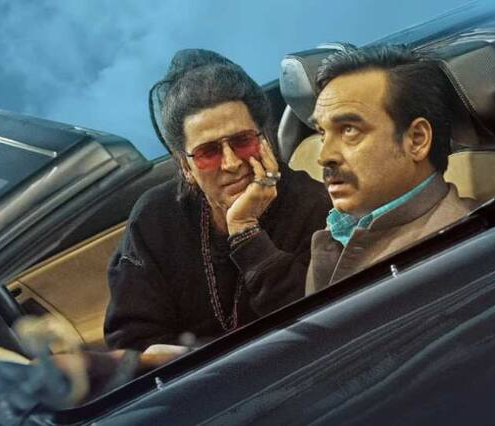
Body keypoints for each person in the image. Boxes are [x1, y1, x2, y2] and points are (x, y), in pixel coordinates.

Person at [104, 49, 331, 350]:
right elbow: (131, 340)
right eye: (208, 152)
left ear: (264, 139)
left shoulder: (313, 205)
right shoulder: (154, 219)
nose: (231, 163)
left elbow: (317, 323)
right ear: (186, 167)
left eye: (242, 141)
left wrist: (246, 231)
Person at [306, 44, 478, 295]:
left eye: (349, 130)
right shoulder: (342, 228)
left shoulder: (450, 255)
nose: (324, 157)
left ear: (416, 140)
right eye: (322, 133)